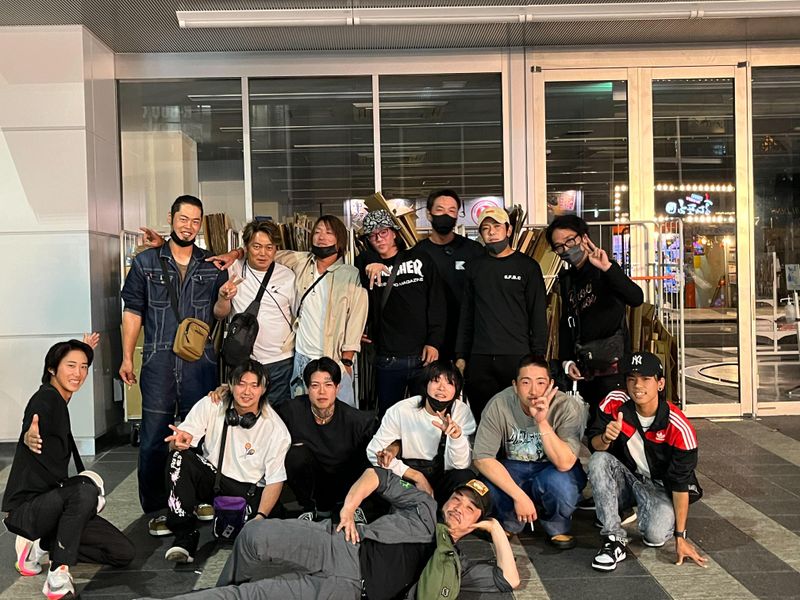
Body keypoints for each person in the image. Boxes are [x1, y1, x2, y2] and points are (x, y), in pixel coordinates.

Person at [139, 468, 519, 600]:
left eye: (470, 509)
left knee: (252, 595)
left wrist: (494, 529)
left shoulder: (457, 564)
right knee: (253, 536)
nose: (458, 508)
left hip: (347, 591)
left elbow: (509, 580)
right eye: (457, 499)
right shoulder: (423, 506)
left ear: (475, 521)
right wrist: (350, 508)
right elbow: (377, 475)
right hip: (341, 544)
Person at [120, 195, 227, 519]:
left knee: (201, 435)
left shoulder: (212, 265)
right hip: (159, 361)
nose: (189, 226)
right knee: (154, 437)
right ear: (171, 218)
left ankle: (198, 498)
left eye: (195, 221)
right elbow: (133, 311)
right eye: (183, 219)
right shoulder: (146, 263)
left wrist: (224, 297)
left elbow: (220, 313)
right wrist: (127, 357)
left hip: (200, 362)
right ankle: (155, 508)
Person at [3, 338, 135, 600]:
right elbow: (36, 416)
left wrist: (82, 348)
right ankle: (58, 574)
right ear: (52, 368)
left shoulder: (60, 400)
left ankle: (40, 545)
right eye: (71, 365)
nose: (79, 373)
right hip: (28, 509)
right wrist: (28, 434)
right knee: (86, 492)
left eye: (84, 366)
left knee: (122, 553)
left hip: (54, 503)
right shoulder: (46, 398)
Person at [204, 215, 368, 408]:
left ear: (340, 240)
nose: (321, 237)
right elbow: (263, 252)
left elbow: (356, 319)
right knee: (297, 413)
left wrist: (347, 360)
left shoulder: (349, 274)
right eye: (317, 232)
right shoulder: (300, 262)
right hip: (299, 358)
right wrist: (235, 253)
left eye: (329, 233)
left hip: (330, 358)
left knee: (334, 413)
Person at [160, 360, 291, 564]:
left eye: (254, 385)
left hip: (249, 491)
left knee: (260, 537)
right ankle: (185, 535)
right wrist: (176, 444)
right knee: (178, 457)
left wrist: (260, 517)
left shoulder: (276, 428)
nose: (247, 391)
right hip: (215, 480)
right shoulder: (212, 404)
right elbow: (181, 438)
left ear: (264, 389)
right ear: (230, 385)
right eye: (241, 384)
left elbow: (275, 480)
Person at [587, 352, 707, 572]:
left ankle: (628, 508)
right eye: (631, 379)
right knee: (598, 460)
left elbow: (680, 484)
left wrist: (680, 536)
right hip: (628, 476)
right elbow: (594, 445)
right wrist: (605, 438)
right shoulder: (615, 403)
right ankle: (613, 538)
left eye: (645, 379)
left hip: (660, 486)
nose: (637, 385)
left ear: (660, 384)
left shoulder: (679, 427)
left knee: (656, 537)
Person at [473, 355, 586, 549]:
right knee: (487, 483)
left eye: (540, 382)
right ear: (515, 385)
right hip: (515, 468)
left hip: (552, 469)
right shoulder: (499, 404)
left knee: (562, 484)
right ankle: (507, 521)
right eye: (526, 382)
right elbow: (482, 458)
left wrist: (541, 421)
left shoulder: (566, 406)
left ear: (550, 384)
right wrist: (520, 496)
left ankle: (557, 525)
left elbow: (565, 462)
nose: (534, 391)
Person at [546, 214, 644, 422]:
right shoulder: (567, 280)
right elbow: (567, 323)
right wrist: (567, 361)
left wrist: (607, 268)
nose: (566, 249)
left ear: (583, 238)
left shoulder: (605, 269)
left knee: (614, 426)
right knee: (591, 428)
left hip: (613, 369)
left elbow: (636, 298)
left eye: (569, 241)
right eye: (559, 247)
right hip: (584, 369)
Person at [456, 206, 548, 421]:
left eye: (496, 226)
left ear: (508, 230)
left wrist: (537, 356)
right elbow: (466, 314)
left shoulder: (527, 267)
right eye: (485, 228)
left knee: (520, 418)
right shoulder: (474, 268)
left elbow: (537, 314)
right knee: (484, 417)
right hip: (480, 357)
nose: (491, 232)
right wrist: (461, 355)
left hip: (517, 355)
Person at [356, 209, 446, 415]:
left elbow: (437, 303)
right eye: (372, 235)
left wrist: (434, 341)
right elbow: (351, 301)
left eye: (383, 232)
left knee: (426, 416)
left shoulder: (420, 258)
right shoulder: (364, 264)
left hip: (423, 356)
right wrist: (354, 331)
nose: (379, 238)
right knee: (390, 417)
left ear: (394, 233)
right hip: (388, 357)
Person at [277, 357, 378, 520]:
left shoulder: (356, 420)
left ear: (337, 388)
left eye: (328, 385)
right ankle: (308, 510)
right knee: (296, 454)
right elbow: (265, 422)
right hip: (312, 486)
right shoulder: (292, 410)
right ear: (307, 388)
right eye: (315, 385)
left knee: (367, 451)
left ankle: (355, 509)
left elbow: (382, 444)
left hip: (346, 486)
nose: (322, 392)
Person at [367, 360, 477, 506]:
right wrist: (416, 476)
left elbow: (460, 465)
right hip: (407, 478)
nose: (442, 388)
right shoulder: (402, 410)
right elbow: (373, 451)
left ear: (457, 390)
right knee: (374, 473)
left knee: (466, 477)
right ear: (426, 385)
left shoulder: (461, 412)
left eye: (449, 383)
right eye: (436, 381)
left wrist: (456, 437)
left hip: (442, 478)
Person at [213, 219, 297, 406]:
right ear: (246, 247)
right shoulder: (233, 270)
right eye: (256, 246)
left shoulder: (287, 276)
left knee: (278, 415)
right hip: (244, 362)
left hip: (280, 362)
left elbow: (298, 315)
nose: (263, 253)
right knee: (246, 414)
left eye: (269, 247)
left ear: (276, 249)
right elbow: (219, 314)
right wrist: (224, 297)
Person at [414, 189, 485, 361]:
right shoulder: (417, 253)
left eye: (451, 211)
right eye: (440, 210)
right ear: (429, 214)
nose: (446, 215)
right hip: (430, 341)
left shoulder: (474, 251)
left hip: (468, 336)